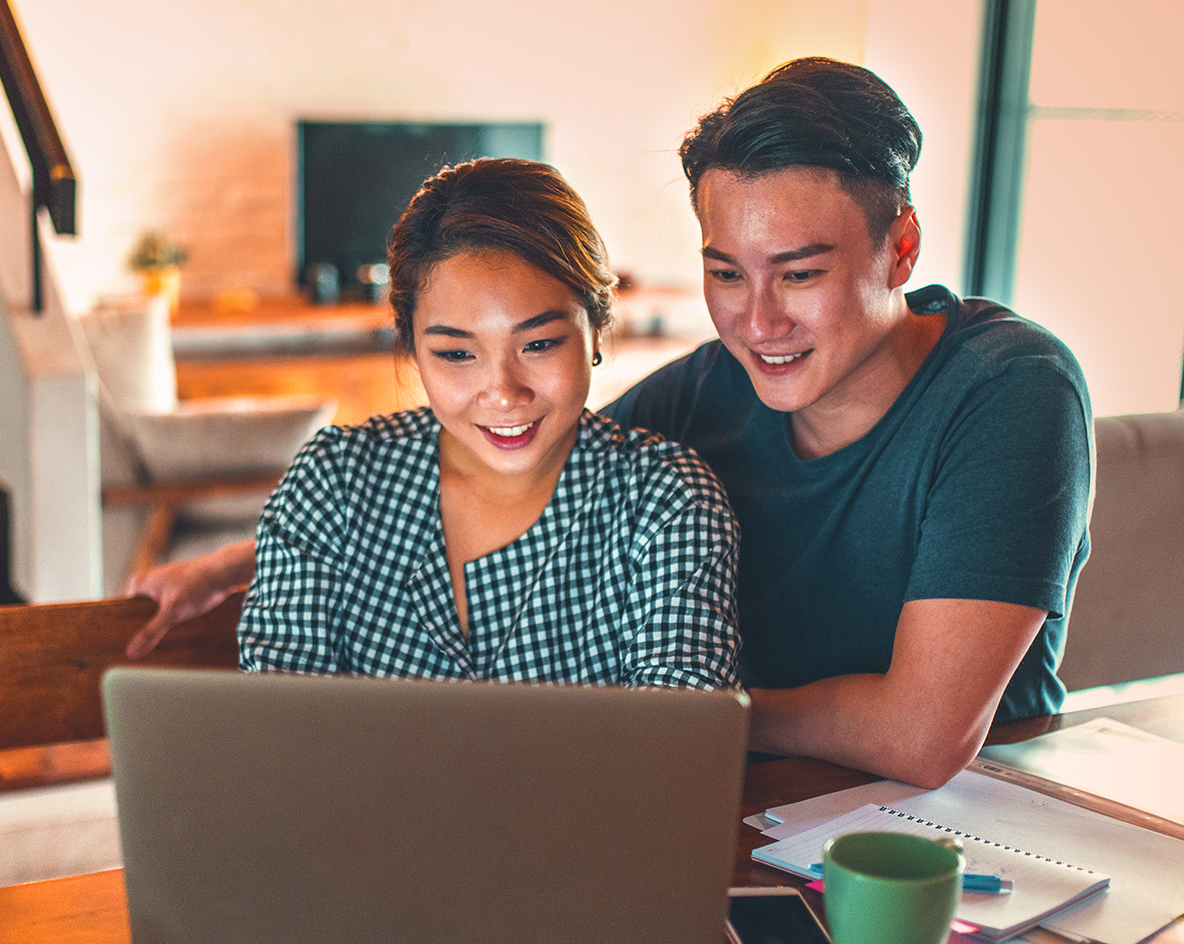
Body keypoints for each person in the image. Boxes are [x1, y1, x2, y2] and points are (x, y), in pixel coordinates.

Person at [128, 58, 1092, 787]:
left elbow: (921, 738)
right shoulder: (714, 387)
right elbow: (508, 453)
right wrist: (230, 563)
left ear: (900, 247)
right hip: (753, 805)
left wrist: (688, 719)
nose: (758, 322)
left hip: (967, 819)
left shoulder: (1009, 391)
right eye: (725, 272)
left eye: (800, 273)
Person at [131, 158, 741, 688]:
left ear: (597, 330)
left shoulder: (666, 502)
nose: (502, 393)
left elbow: (681, 740)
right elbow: (287, 730)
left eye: (540, 344)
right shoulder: (333, 484)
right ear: (411, 346)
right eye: (455, 354)